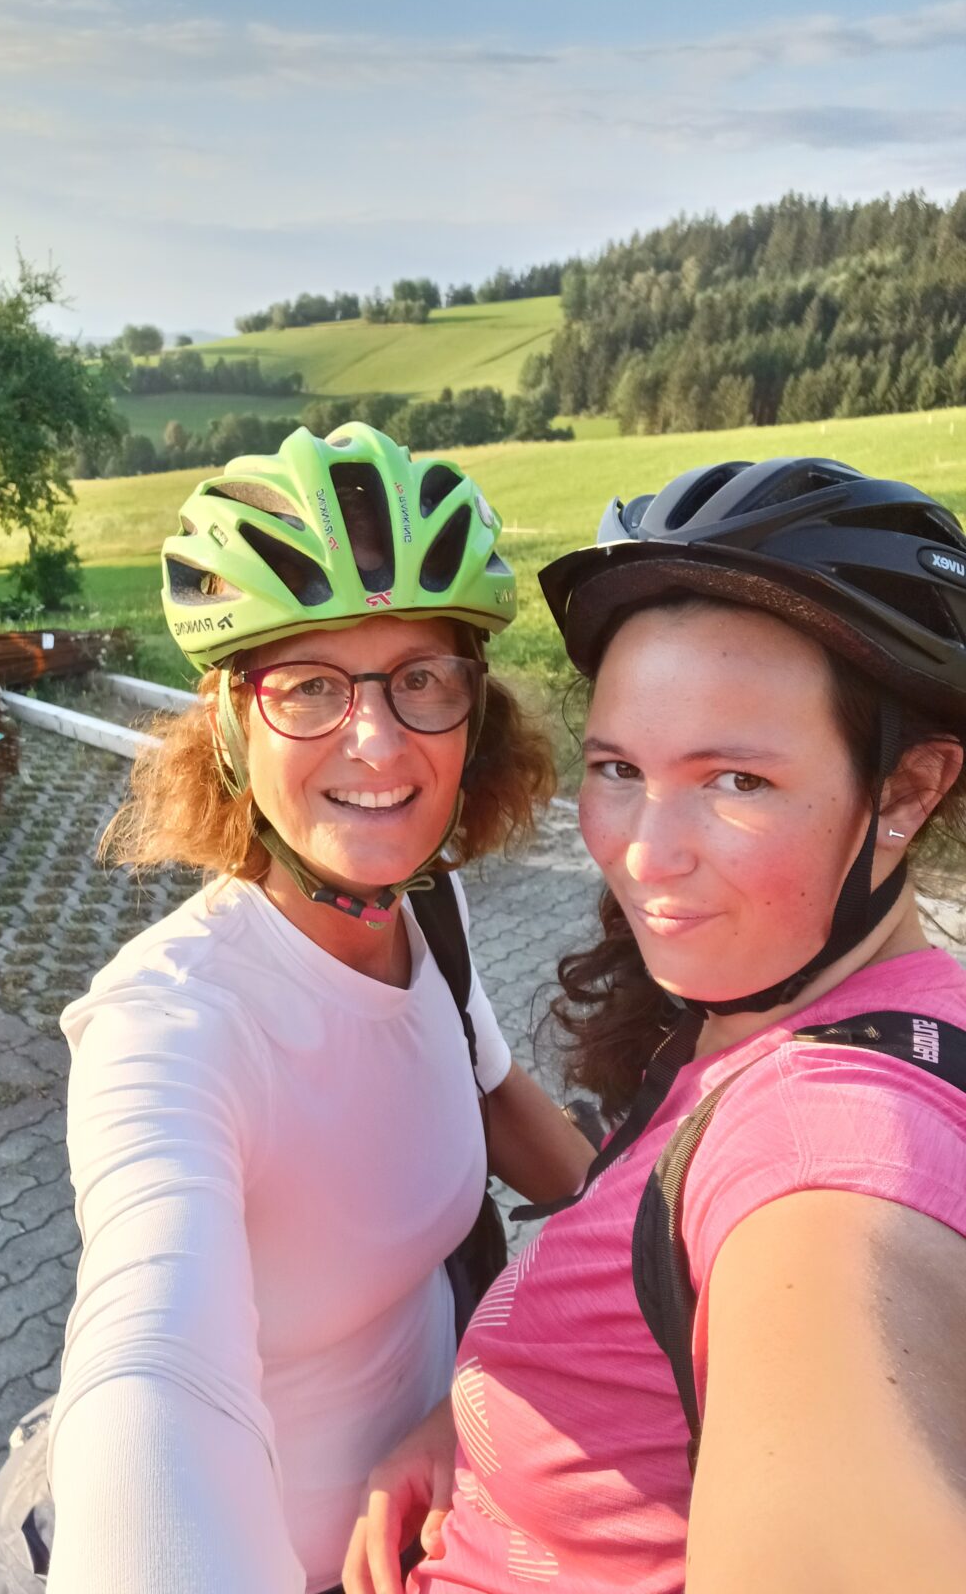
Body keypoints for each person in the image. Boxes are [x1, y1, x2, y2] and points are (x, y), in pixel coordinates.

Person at [344, 457, 966, 1594]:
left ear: (910, 791)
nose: (644, 849)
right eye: (619, 767)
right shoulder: (792, 996)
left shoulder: (828, 1165)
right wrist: (476, 1434)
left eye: (736, 779)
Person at [40, 423, 595, 1594]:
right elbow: (150, 1354)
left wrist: (666, 1237)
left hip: (458, 1512)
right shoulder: (170, 1022)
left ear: (473, 708)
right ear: (231, 723)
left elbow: (512, 1116)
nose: (379, 738)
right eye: (308, 685)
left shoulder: (424, 917)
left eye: (421, 677)